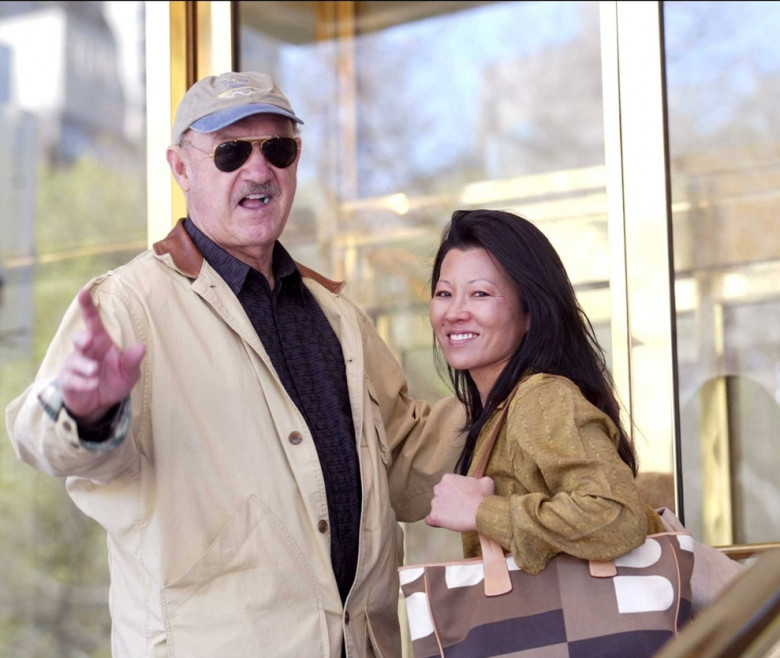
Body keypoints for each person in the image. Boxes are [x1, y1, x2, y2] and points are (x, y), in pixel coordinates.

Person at [5, 71, 465, 658]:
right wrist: (84, 409)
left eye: (278, 149)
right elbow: (38, 438)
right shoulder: (128, 305)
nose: (258, 171)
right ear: (180, 168)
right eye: (229, 152)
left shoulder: (338, 315)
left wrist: (508, 387)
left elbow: (405, 466)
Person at [424, 208, 665, 575]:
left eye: (480, 294)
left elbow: (616, 515)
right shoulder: (499, 409)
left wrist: (479, 511)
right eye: (444, 293)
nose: (455, 312)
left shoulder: (541, 397)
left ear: (530, 312)